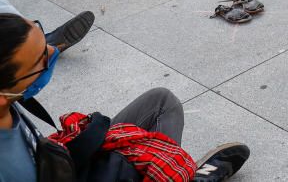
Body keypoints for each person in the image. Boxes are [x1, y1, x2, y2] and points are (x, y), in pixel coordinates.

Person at [0, 13, 251, 181]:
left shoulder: (9, 100)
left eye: (45, 41)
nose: (54, 51)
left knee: (161, 101)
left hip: (67, 167)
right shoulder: (8, 165)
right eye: (41, 59)